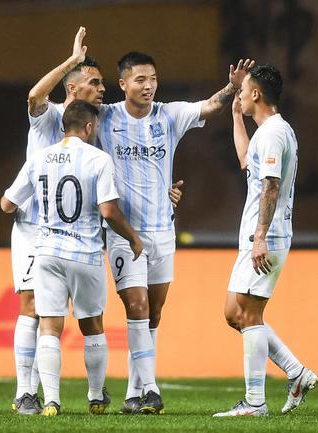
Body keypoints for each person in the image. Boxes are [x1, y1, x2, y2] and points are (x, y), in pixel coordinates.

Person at [8, 27, 183, 415]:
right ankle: (27, 392)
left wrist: (165, 191)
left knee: (70, 318)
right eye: (95, 83)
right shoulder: (50, 116)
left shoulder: (96, 126)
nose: (103, 89)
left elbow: (128, 170)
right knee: (33, 306)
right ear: (73, 88)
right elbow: (35, 96)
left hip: (78, 233)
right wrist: (72, 61)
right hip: (35, 227)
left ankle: (76, 395)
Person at [97, 51, 255, 414]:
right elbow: (65, 114)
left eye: (152, 78)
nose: (148, 86)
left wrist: (231, 87)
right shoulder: (106, 117)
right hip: (124, 233)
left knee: (153, 313)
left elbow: (209, 106)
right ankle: (151, 389)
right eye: (140, 79)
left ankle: (133, 395)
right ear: (123, 84)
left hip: (163, 231)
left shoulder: (169, 115)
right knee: (136, 307)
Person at [0, 100, 144, 416]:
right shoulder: (98, 159)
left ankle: (52, 400)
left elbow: (7, 204)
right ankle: (96, 396)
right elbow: (109, 211)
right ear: (89, 127)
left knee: (49, 327)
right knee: (93, 326)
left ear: (64, 126)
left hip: (47, 253)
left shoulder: (39, 158)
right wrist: (133, 237)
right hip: (85, 253)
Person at [213, 64, 318, 417]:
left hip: (266, 236)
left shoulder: (273, 133)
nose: (240, 95)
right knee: (235, 312)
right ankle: (296, 372)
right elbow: (248, 162)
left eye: (243, 91)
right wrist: (235, 115)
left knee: (247, 313)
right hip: (259, 234)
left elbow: (271, 185)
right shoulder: (267, 132)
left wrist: (260, 237)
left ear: (256, 94)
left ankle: (255, 401)